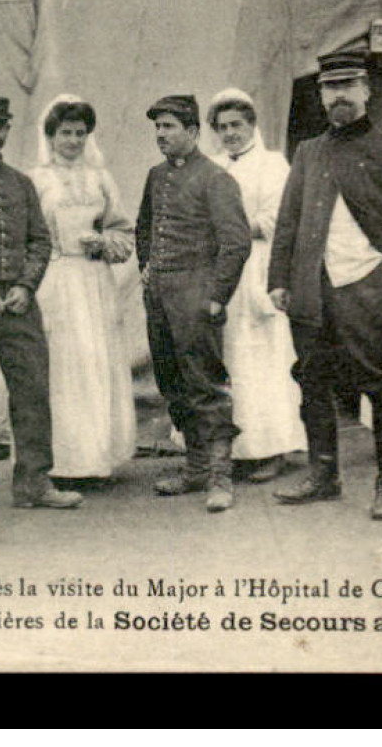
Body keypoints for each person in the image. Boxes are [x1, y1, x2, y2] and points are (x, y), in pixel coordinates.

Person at [267, 52, 382, 520]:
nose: (339, 96)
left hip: (365, 286)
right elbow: (288, 222)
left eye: (349, 86)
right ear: (321, 95)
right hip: (310, 289)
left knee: (379, 385)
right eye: (330, 88)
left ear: (367, 91)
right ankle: (324, 477)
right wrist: (279, 279)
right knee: (313, 383)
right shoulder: (308, 150)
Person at [0, 96, 82, 514]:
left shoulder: (21, 183)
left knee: (32, 391)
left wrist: (26, 286)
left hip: (21, 305)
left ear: (8, 130)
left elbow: (40, 241)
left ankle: (34, 483)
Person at [137, 94, 252, 513]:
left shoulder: (216, 179)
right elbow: (144, 228)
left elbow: (236, 243)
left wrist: (216, 297)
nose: (161, 135)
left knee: (206, 384)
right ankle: (195, 468)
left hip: (196, 295)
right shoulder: (155, 176)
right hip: (160, 298)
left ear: (193, 131)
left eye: (168, 127)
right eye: (157, 127)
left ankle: (221, 476)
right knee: (172, 383)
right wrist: (145, 268)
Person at [28, 95, 138, 483]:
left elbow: (123, 231)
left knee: (96, 362)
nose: (73, 141)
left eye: (79, 133)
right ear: (51, 136)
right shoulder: (38, 180)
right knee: (63, 368)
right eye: (65, 133)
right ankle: (64, 463)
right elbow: (29, 236)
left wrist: (104, 243)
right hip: (55, 281)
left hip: (94, 283)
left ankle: (98, 458)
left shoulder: (100, 178)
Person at [205, 88, 304, 482]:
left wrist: (231, 231)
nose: (230, 133)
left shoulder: (273, 165)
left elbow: (279, 218)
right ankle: (226, 449)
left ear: (252, 125)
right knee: (226, 358)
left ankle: (270, 447)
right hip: (220, 273)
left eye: (236, 125)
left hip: (258, 269)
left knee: (263, 360)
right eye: (222, 127)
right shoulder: (211, 167)